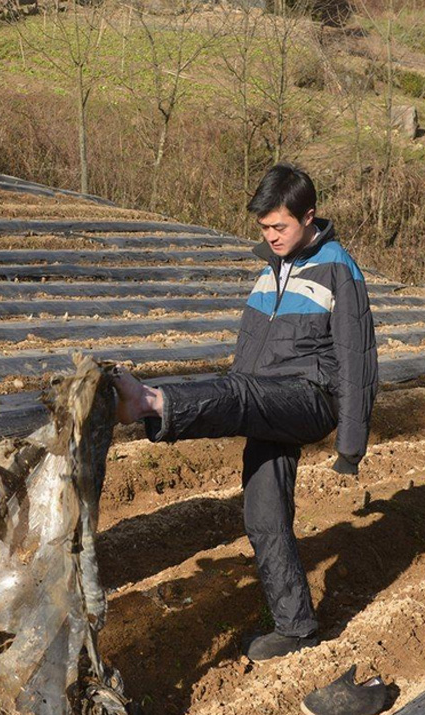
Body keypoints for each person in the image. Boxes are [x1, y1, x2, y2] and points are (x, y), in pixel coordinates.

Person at [114, 163, 377, 662]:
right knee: (263, 518)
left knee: (237, 394)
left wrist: (351, 444)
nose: (271, 236)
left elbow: (357, 355)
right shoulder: (269, 270)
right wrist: (242, 398)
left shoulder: (338, 267)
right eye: (264, 228)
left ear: (309, 216)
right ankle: (296, 626)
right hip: (263, 400)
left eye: (280, 226)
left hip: (308, 396)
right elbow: (250, 349)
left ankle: (149, 402)